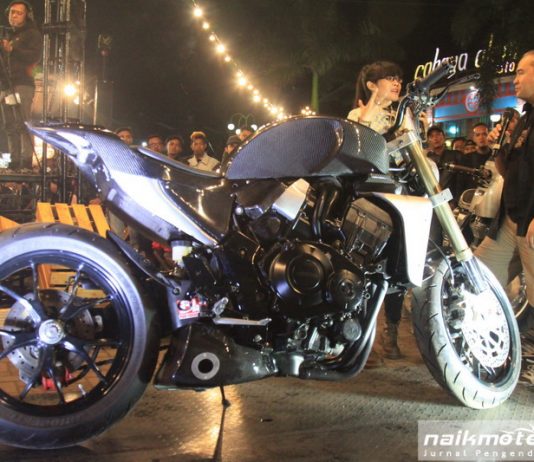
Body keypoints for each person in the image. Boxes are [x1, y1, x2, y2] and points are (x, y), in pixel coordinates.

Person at [348, 61, 406, 361]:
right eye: (390, 78)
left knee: (399, 265)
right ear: (372, 84)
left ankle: (391, 331)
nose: (397, 83)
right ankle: (361, 340)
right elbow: (358, 148)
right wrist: (372, 106)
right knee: (365, 268)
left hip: (402, 199)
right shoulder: (356, 115)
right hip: (369, 201)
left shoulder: (401, 114)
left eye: (399, 78)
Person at [475, 50, 534, 325]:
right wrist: (497, 148)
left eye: (521, 72)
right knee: (477, 279)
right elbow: (505, 171)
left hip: (531, 223)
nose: (515, 79)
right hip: (510, 221)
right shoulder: (524, 119)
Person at [0, 0, 42, 171]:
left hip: (22, 84)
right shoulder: (7, 34)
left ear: (27, 15)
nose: (15, 16)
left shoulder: (32, 33)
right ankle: (14, 160)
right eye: (12, 12)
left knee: (23, 123)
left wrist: (13, 50)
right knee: (9, 125)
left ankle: (26, 160)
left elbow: (35, 57)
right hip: (6, 85)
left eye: (19, 13)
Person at [425, 125, 462, 203]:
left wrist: (455, 201)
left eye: (438, 134)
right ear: (428, 140)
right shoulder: (427, 159)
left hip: (452, 200)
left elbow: (461, 180)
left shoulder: (455, 155)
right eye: (431, 136)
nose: (435, 138)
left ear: (444, 137)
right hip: (433, 200)